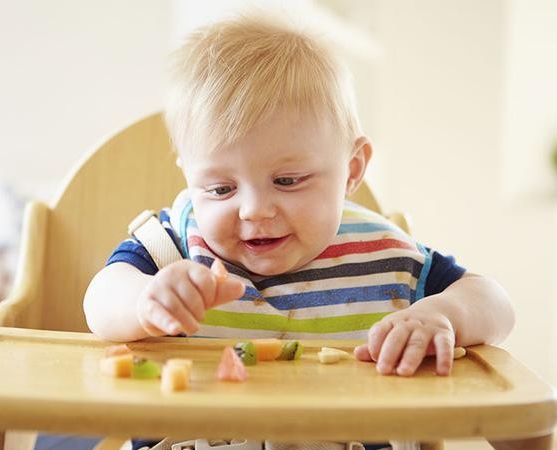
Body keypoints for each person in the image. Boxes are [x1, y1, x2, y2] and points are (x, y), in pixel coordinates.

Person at [84, 11, 515, 450]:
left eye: (287, 181)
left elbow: (495, 304)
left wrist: (444, 315)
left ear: (351, 170)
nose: (253, 210)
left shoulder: (384, 259)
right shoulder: (172, 248)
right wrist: (145, 301)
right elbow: (99, 301)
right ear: (190, 179)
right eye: (220, 188)